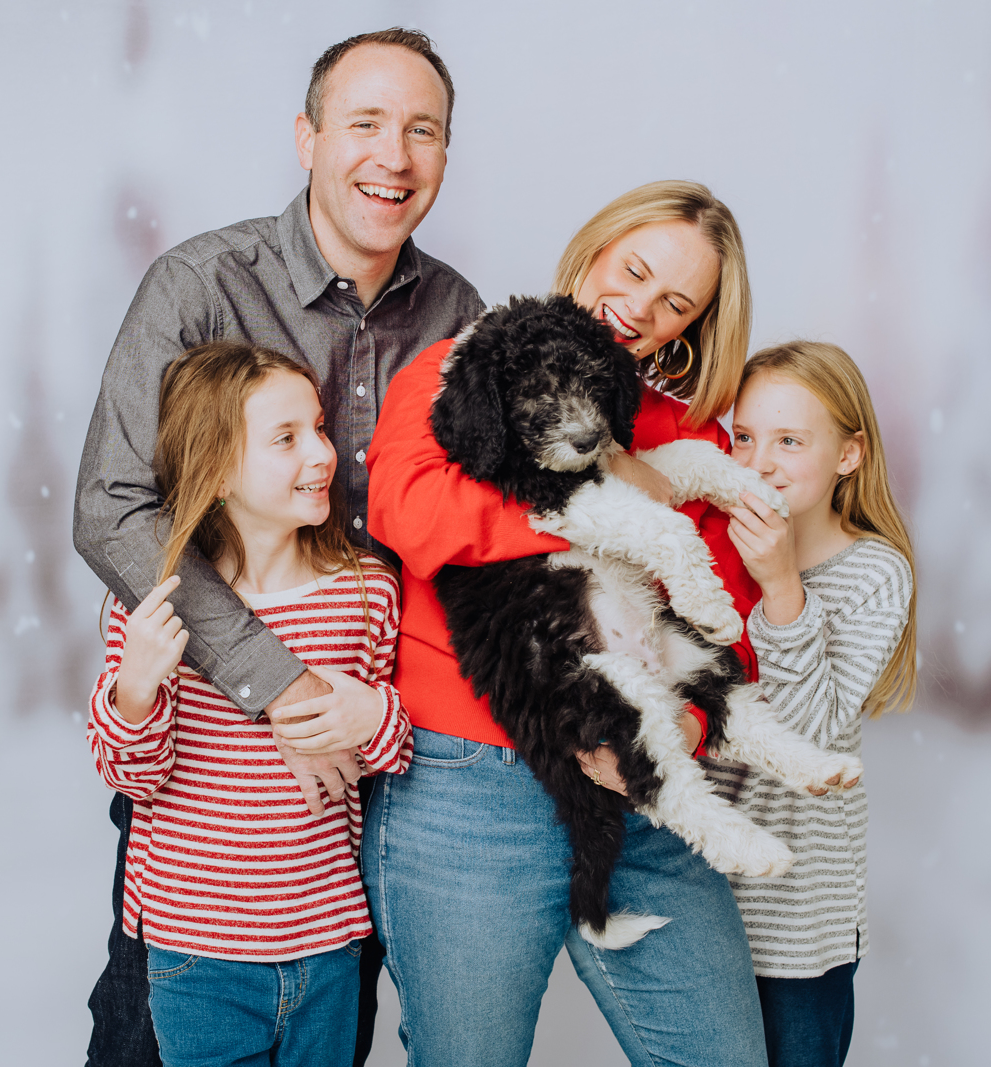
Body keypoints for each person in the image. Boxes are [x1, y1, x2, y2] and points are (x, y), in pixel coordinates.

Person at [72, 28, 482, 1066]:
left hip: (364, 789)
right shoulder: (201, 282)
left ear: (443, 156)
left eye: (421, 131)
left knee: (325, 1029)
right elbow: (113, 506)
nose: (393, 155)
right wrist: (281, 687)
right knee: (145, 1040)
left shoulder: (458, 317)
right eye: (365, 124)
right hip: (206, 782)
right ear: (306, 137)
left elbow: (477, 533)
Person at [363, 180, 771, 1067]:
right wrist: (600, 497)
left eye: (675, 304)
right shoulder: (460, 368)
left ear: (688, 331)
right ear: (594, 250)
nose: (639, 307)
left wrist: (688, 726)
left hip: (639, 776)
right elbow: (410, 512)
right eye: (633, 270)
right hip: (467, 785)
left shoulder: (676, 432)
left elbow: (727, 620)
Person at [87, 342, 413, 1067]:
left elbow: (392, 756)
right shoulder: (151, 600)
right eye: (286, 439)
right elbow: (132, 776)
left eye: (321, 428)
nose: (324, 454)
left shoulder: (365, 592)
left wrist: (375, 718)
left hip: (329, 944)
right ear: (218, 469)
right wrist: (136, 686)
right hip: (196, 952)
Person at [714, 341, 918, 1067]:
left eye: (790, 441)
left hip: (798, 927)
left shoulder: (872, 571)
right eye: (743, 437)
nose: (759, 463)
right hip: (701, 901)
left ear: (848, 455)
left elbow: (808, 739)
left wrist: (780, 588)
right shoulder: (710, 547)